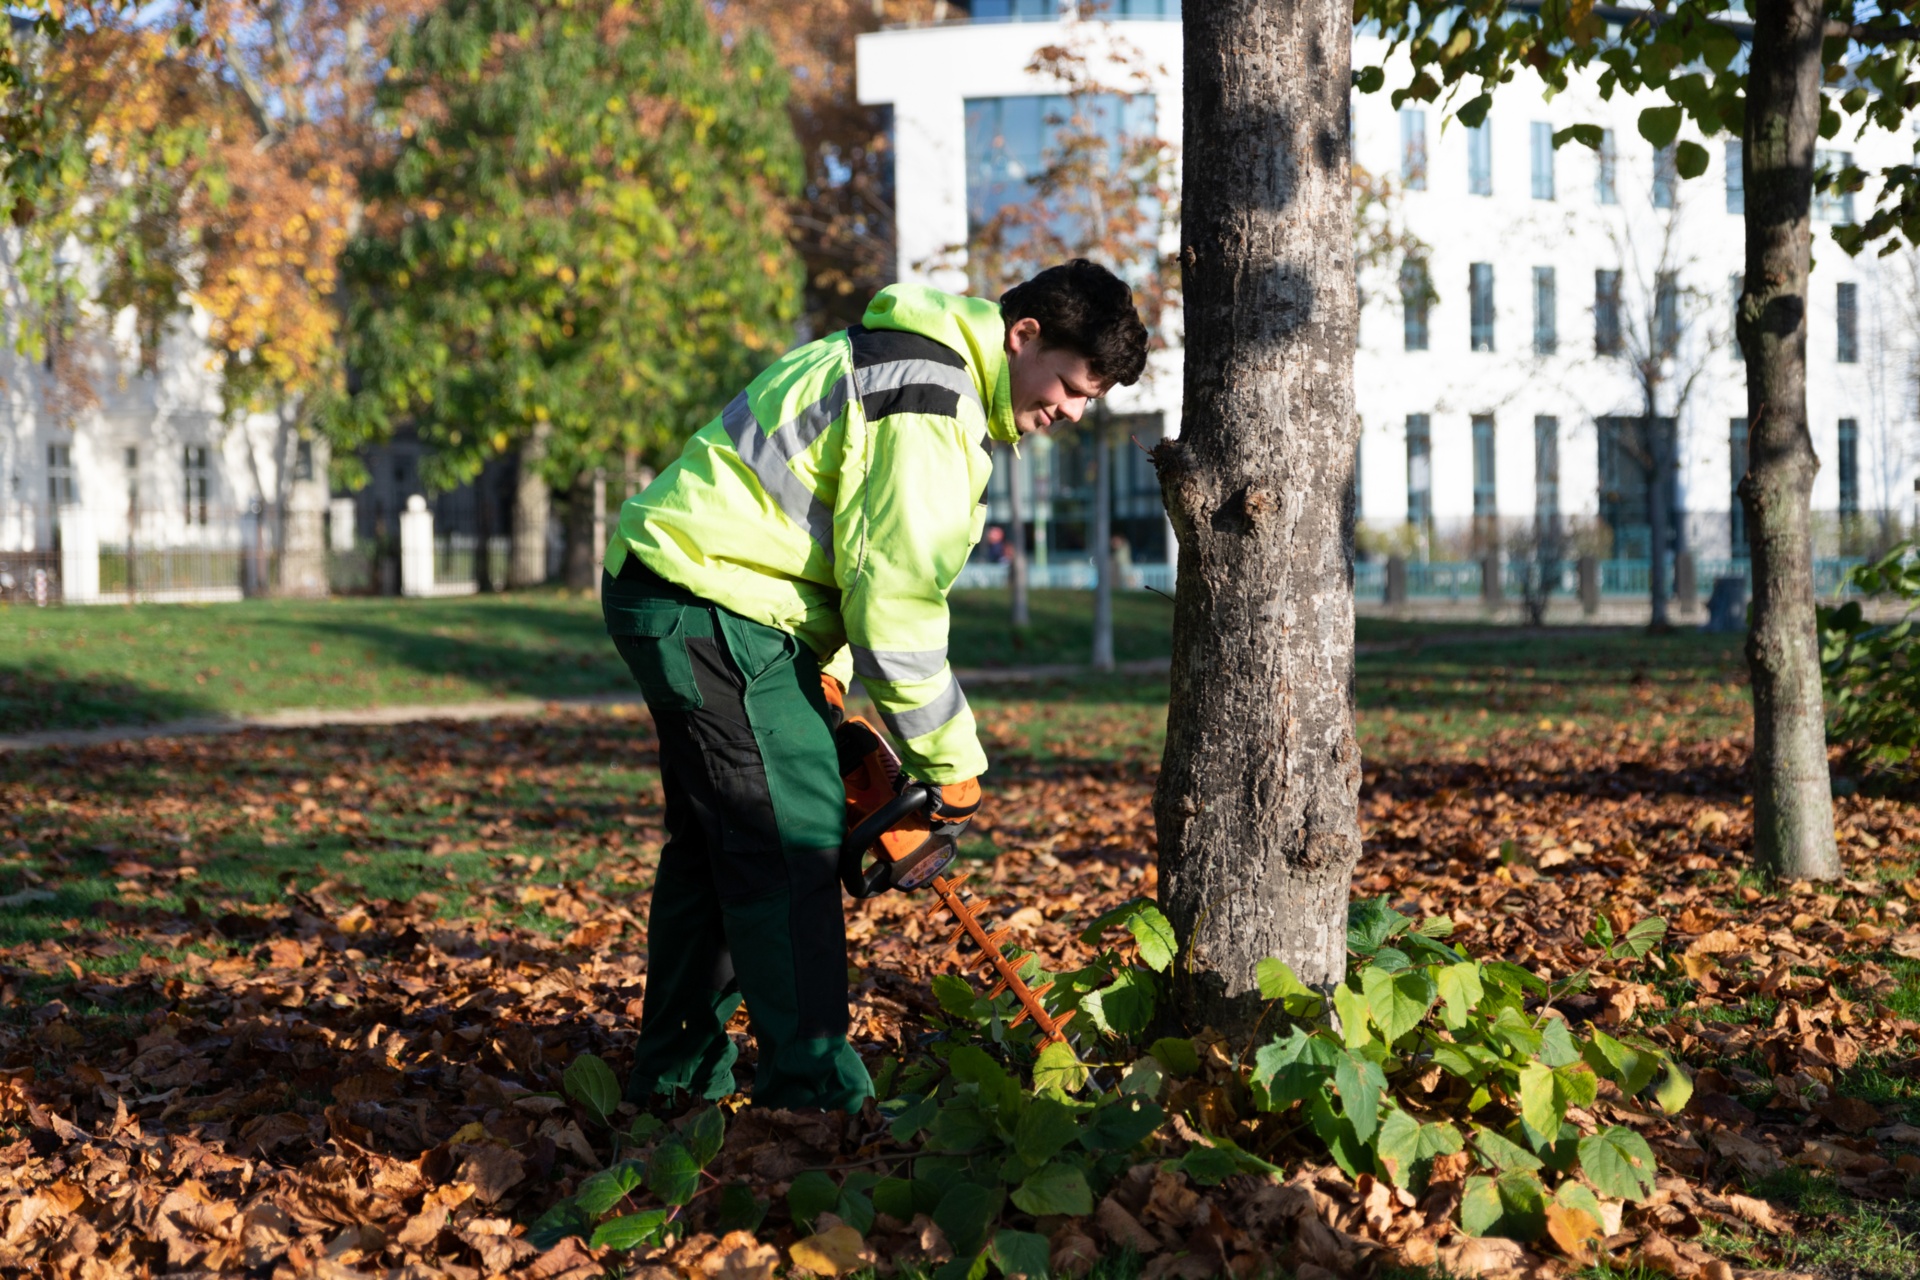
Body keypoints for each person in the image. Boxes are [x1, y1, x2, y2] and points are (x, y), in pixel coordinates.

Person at [601, 260, 1149, 1111]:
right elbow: (895, 597)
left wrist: (823, 676)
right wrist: (950, 763)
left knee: (723, 850)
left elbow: (845, 554)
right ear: (1025, 335)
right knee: (792, 845)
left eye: (1091, 399)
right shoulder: (930, 399)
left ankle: (673, 1082)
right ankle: (817, 1097)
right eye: (1074, 386)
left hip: (693, 593)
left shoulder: (907, 364)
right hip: (714, 604)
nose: (1073, 412)